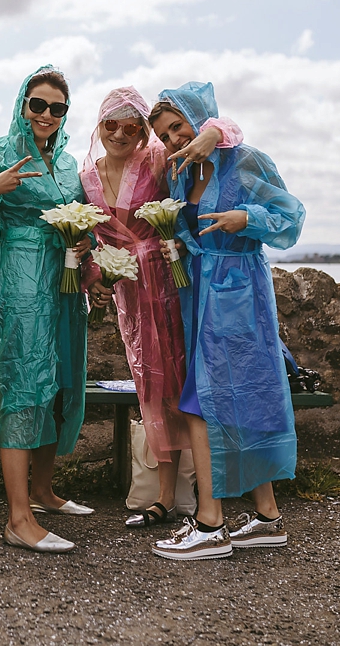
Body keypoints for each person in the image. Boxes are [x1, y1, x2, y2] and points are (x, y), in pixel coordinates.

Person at [147, 81, 305, 561]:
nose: (174, 139)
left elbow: (291, 218)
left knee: (206, 401)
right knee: (228, 400)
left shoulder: (244, 160)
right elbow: (182, 225)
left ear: (200, 119)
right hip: (197, 293)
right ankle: (267, 518)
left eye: (178, 127)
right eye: (165, 135)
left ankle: (210, 523)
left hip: (240, 292)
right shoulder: (181, 174)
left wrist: (246, 217)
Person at [79, 86, 241, 529]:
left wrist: (212, 133)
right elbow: (92, 239)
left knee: (184, 383)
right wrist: (97, 274)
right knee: (150, 387)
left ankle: (203, 496)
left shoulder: (155, 159)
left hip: (172, 282)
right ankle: (166, 496)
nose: (121, 133)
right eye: (111, 123)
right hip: (129, 292)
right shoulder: (86, 177)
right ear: (99, 125)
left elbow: (227, 134)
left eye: (133, 125)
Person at [0, 65, 91, 554]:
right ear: (21, 104)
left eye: (57, 108)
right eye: (38, 104)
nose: (47, 115)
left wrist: (88, 252)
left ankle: (42, 492)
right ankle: (17, 518)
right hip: (21, 272)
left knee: (60, 380)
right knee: (26, 383)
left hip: (65, 275)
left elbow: (83, 219)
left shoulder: (68, 161)